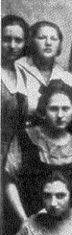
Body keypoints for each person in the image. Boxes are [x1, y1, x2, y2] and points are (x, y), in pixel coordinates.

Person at [4, 79, 72, 223]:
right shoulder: (25, 138)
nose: (60, 115)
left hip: (63, 225)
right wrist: (24, 221)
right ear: (44, 110)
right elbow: (9, 180)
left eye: (65, 109)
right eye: (54, 109)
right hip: (26, 219)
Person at [14, 20, 72, 121]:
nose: (48, 43)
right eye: (42, 38)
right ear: (31, 41)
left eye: (54, 39)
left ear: (59, 44)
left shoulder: (63, 74)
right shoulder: (18, 68)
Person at [1, 15, 28, 163]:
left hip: (14, 156)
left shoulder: (22, 74)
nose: (12, 45)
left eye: (18, 40)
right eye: (6, 39)